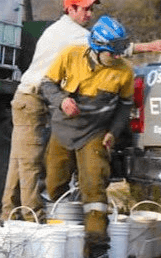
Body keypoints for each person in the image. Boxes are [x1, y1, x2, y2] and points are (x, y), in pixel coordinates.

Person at [0, 0, 161, 222]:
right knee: (31, 162)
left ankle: (10, 213)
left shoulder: (64, 30)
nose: (89, 14)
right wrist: (149, 46)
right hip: (34, 98)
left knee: (19, 160)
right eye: (84, 8)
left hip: (29, 98)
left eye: (91, 9)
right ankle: (33, 219)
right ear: (70, 9)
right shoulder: (71, 34)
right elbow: (109, 47)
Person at [40, 16, 138, 258]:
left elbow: (125, 106)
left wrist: (113, 134)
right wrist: (62, 101)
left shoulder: (124, 72)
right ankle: (55, 241)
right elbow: (47, 84)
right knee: (54, 184)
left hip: (95, 134)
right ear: (97, 46)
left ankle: (96, 245)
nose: (117, 57)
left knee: (94, 187)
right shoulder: (70, 55)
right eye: (112, 52)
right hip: (63, 130)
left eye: (120, 51)